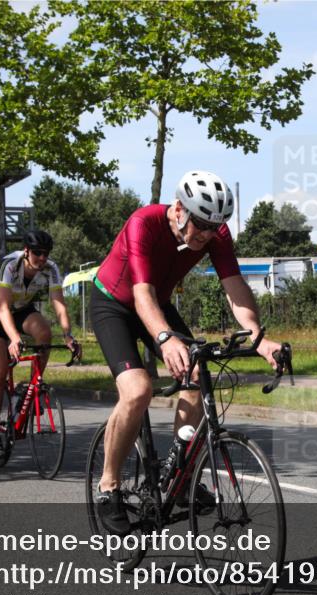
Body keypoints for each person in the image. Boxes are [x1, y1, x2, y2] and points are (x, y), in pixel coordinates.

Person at [91, 170, 283, 535]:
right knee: (137, 390)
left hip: (157, 304)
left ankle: (177, 478)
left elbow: (234, 287)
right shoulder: (143, 223)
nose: (207, 235)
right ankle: (109, 487)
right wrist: (165, 338)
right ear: (179, 209)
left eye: (214, 227)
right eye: (201, 225)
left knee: (197, 376)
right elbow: (141, 293)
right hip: (115, 303)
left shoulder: (216, 233)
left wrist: (258, 339)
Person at [0, 230, 80, 465]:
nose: (42, 258)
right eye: (37, 253)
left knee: (44, 331)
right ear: (26, 251)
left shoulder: (51, 269)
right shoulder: (9, 265)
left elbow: (59, 305)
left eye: (46, 253)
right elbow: (4, 308)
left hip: (23, 310)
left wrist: (68, 335)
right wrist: (14, 338)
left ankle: (32, 386)